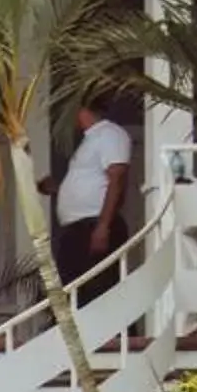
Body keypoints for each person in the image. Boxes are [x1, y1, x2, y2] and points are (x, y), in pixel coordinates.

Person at [50, 98, 134, 295]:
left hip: (94, 226)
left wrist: (103, 226)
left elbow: (117, 178)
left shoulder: (109, 134)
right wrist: (58, 189)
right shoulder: (90, 139)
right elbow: (92, 183)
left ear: (81, 110)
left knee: (99, 290)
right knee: (76, 292)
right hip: (78, 229)